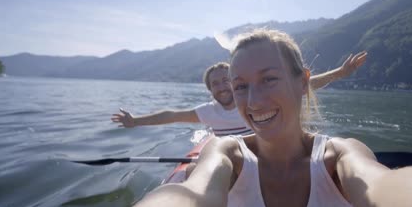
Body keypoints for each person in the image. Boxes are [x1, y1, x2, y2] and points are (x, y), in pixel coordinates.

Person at [121, 29, 412, 207]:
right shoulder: (221, 151)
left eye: (269, 79)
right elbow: (193, 197)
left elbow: (384, 187)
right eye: (240, 86)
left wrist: (343, 73)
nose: (252, 101)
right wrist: (136, 121)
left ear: (302, 82)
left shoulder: (343, 155)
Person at [111, 51, 367, 137]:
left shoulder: (258, 102)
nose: (223, 87)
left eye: (227, 81)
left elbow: (304, 86)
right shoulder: (208, 112)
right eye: (216, 84)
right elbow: (171, 115)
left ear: (238, 83)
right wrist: (136, 121)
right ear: (210, 90)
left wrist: (340, 73)